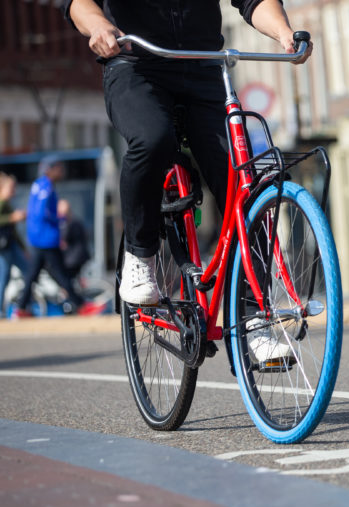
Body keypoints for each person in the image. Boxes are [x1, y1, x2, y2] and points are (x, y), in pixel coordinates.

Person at [63, 0, 312, 306]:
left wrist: (283, 33)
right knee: (152, 139)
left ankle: (256, 315)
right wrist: (99, 25)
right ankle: (140, 255)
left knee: (243, 177)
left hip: (203, 67)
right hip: (136, 66)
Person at [13, 157, 98, 317]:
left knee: (33, 275)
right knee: (61, 274)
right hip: (46, 239)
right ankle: (80, 305)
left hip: (38, 238)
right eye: (58, 168)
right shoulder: (46, 186)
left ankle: (21, 308)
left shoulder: (37, 184)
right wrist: (59, 218)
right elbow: (41, 212)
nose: (61, 171)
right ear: (49, 169)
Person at [0, 172, 29, 318]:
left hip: (11, 246)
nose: (14, 191)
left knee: (28, 273)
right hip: (4, 249)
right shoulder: (2, 203)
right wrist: (12, 217)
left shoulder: (8, 204)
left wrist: (23, 249)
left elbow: (14, 233)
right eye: (11, 188)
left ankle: (24, 305)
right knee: (3, 278)